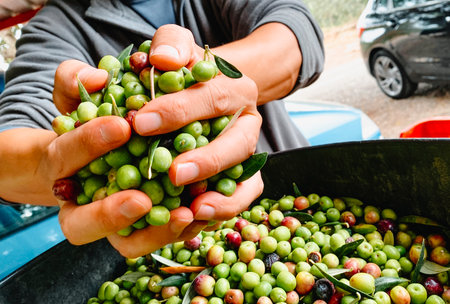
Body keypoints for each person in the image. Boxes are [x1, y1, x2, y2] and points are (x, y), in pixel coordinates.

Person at [0, 0, 324, 258]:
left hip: (295, 203)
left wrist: (203, 84)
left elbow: (294, 35)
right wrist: (50, 162)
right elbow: (10, 142)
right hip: (168, 257)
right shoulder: (52, 26)